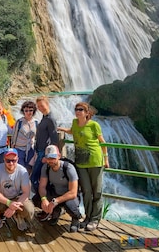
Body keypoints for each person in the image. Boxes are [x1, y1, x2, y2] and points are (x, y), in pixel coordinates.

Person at [57, 102, 109, 231]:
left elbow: (103, 143)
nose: (78, 111)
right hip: (80, 163)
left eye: (81, 109)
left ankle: (95, 219)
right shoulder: (75, 123)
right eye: (76, 109)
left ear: (87, 113)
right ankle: (87, 217)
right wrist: (62, 130)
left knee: (96, 191)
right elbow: (72, 131)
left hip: (95, 161)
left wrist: (106, 159)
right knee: (86, 191)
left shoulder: (93, 125)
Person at [0, 148, 35, 235]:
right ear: (4, 159)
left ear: (17, 160)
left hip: (16, 198)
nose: (11, 163)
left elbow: (26, 193)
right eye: (8, 160)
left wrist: (14, 206)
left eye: (13, 160)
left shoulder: (23, 171)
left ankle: (18, 216)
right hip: (1, 199)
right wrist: (9, 203)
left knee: (29, 209)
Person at [32, 145, 82, 232]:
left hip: (69, 196)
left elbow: (73, 192)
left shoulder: (68, 168)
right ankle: (56, 211)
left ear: (59, 156)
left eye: (53, 157)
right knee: (36, 199)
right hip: (56, 193)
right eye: (48, 158)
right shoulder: (46, 167)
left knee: (69, 205)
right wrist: (44, 199)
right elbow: (42, 186)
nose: (50, 160)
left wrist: (56, 201)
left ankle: (76, 218)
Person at [30, 95, 59, 193]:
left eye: (42, 105)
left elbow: (54, 138)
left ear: (47, 104)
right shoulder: (44, 117)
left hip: (44, 152)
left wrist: (48, 156)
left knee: (34, 177)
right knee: (39, 176)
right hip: (39, 151)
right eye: (38, 106)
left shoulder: (51, 118)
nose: (40, 108)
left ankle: (40, 197)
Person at [11, 100, 38, 170]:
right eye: (26, 110)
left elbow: (37, 136)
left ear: (34, 111)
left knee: (29, 169)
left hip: (30, 149)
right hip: (19, 149)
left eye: (31, 110)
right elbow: (14, 136)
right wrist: (12, 149)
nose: (28, 112)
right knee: (20, 169)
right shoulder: (19, 122)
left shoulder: (36, 122)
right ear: (23, 111)